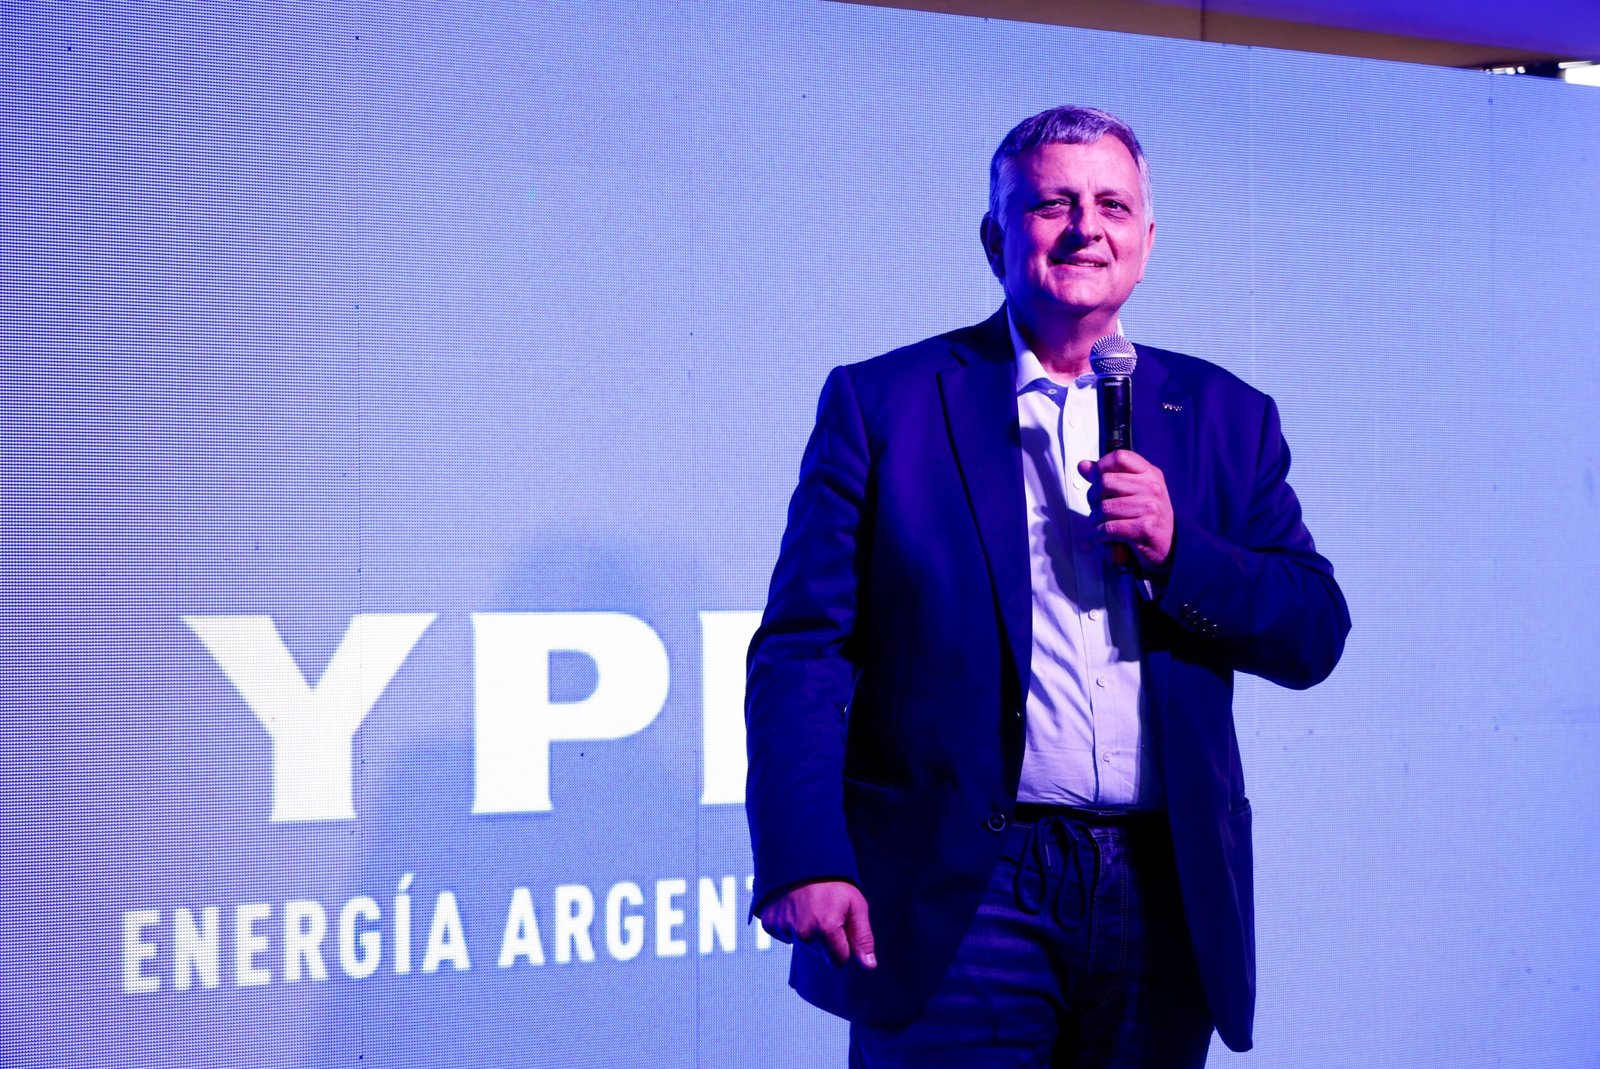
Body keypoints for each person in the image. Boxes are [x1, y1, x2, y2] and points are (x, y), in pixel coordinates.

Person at [745, 105, 1350, 1068]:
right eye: (1052, 204)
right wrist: (805, 850)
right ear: (996, 239)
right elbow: (803, 648)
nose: (1085, 228)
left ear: (1146, 241)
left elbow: (1313, 629)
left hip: (1164, 886)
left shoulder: (1227, 416)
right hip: (963, 889)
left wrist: (1178, 549)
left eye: (1112, 205)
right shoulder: (886, 401)